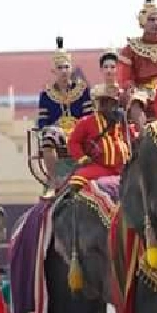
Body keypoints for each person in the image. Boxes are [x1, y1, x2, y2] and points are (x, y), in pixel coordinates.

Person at [37, 36, 93, 195]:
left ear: (71, 69)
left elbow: (89, 116)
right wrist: (54, 128)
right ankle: (54, 179)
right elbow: (42, 123)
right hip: (57, 134)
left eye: (66, 67)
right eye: (60, 67)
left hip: (79, 130)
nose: (63, 71)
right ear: (54, 71)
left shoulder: (83, 90)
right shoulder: (46, 95)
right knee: (47, 138)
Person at [67, 55, 132, 190]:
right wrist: (82, 158)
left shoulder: (122, 121)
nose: (109, 106)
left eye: (112, 103)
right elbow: (73, 142)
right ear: (99, 104)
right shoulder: (87, 122)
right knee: (77, 179)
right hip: (98, 167)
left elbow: (133, 139)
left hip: (123, 168)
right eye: (105, 102)